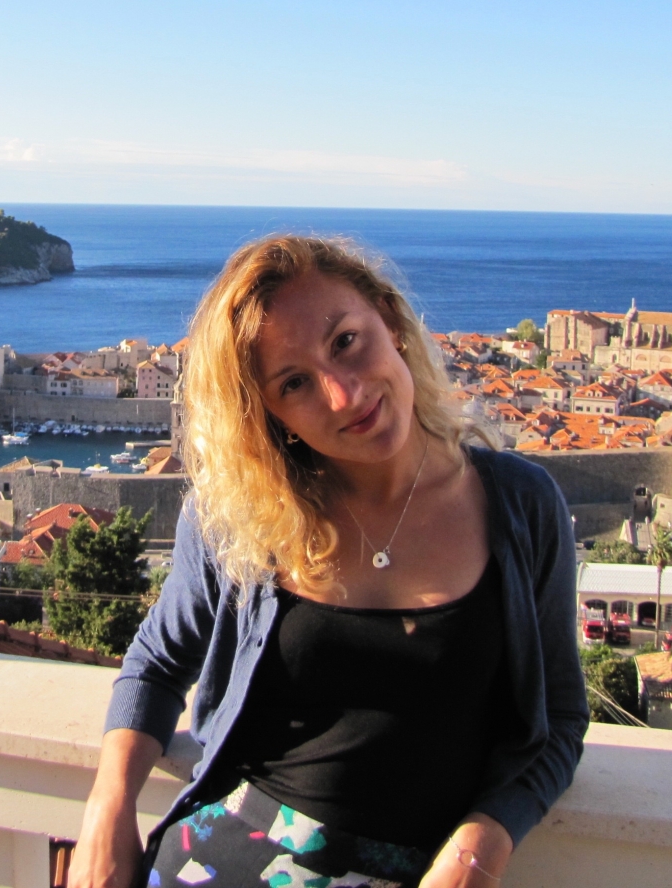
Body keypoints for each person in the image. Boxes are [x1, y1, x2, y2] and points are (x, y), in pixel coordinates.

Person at [68, 237, 587, 888]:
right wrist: (107, 808)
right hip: (218, 859)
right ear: (274, 417)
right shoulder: (240, 515)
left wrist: (480, 847)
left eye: (345, 341)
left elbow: (559, 721)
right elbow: (158, 663)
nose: (345, 394)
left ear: (389, 320)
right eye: (295, 383)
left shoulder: (519, 505)